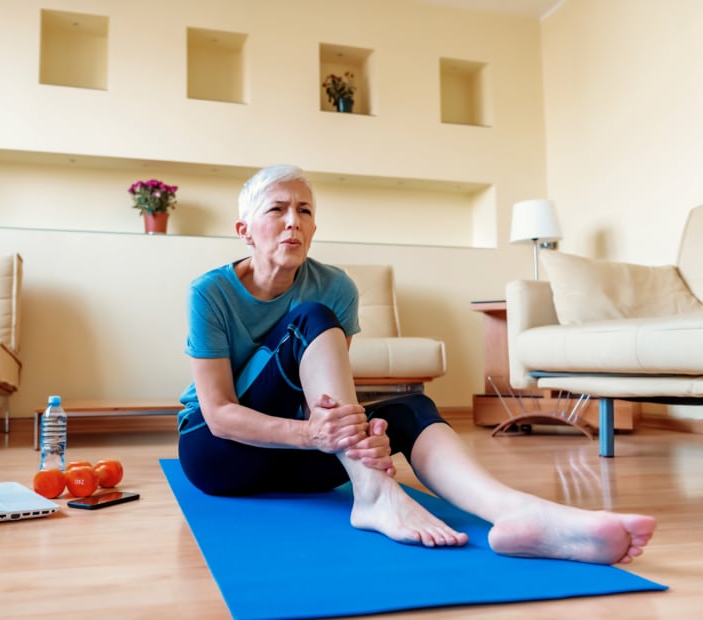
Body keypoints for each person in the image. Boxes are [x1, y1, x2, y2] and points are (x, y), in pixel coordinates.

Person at [176, 164, 656, 564]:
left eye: (304, 211)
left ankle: (518, 513)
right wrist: (313, 435)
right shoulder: (211, 292)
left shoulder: (335, 286)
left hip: (304, 461)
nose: (292, 221)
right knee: (310, 319)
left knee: (412, 408)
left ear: (315, 228)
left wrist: (366, 432)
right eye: (276, 209)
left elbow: (325, 395)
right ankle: (374, 495)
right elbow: (218, 414)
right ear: (244, 231)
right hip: (221, 457)